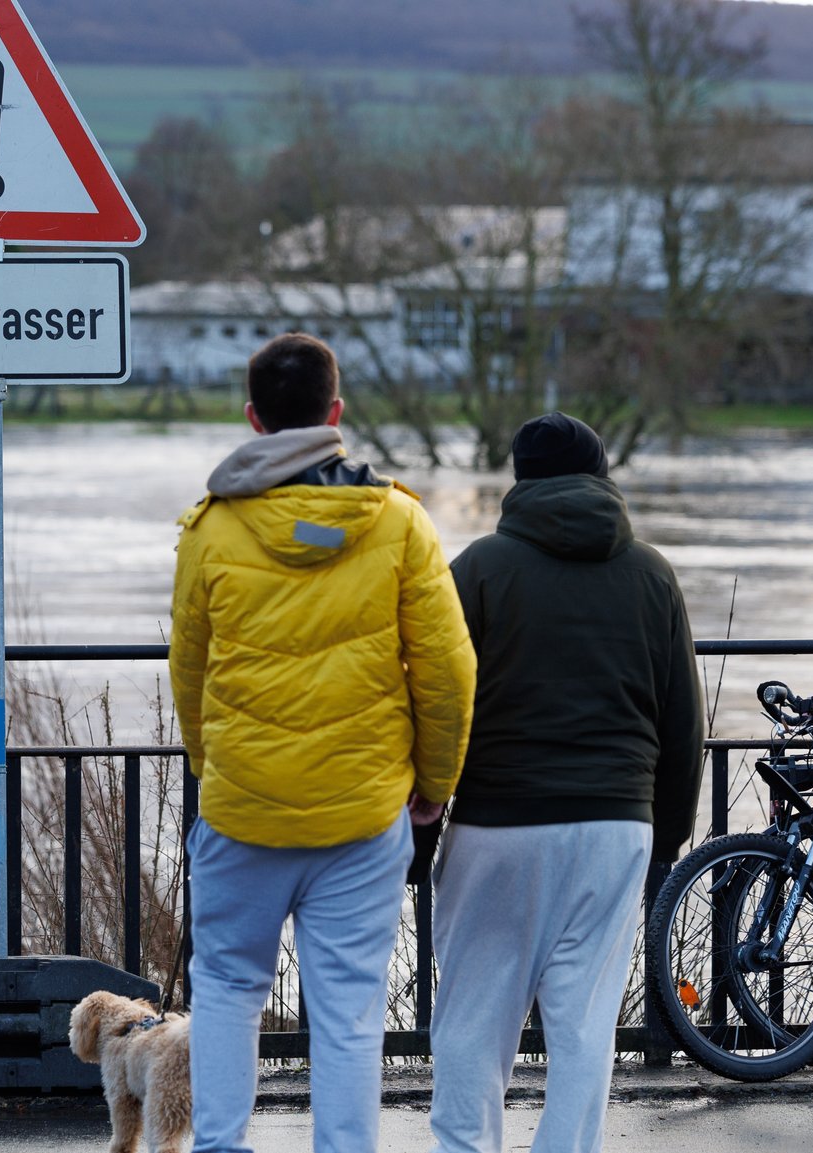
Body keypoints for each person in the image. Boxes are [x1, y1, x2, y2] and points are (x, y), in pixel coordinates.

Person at [170, 333, 475, 1153]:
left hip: (241, 814)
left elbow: (188, 671)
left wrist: (213, 770)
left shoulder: (209, 529)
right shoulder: (399, 521)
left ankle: (222, 1144)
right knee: (348, 1008)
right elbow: (447, 669)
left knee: (228, 989)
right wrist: (435, 782)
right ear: (335, 415)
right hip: (363, 810)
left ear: (253, 418)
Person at [428, 412, 704, 1153]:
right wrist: (664, 841)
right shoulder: (652, 574)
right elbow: (683, 725)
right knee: (584, 1022)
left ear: (519, 480)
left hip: (498, 822)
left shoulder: (479, 569)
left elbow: (435, 710)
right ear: (602, 474)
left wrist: (421, 839)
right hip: (617, 823)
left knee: (471, 1021)